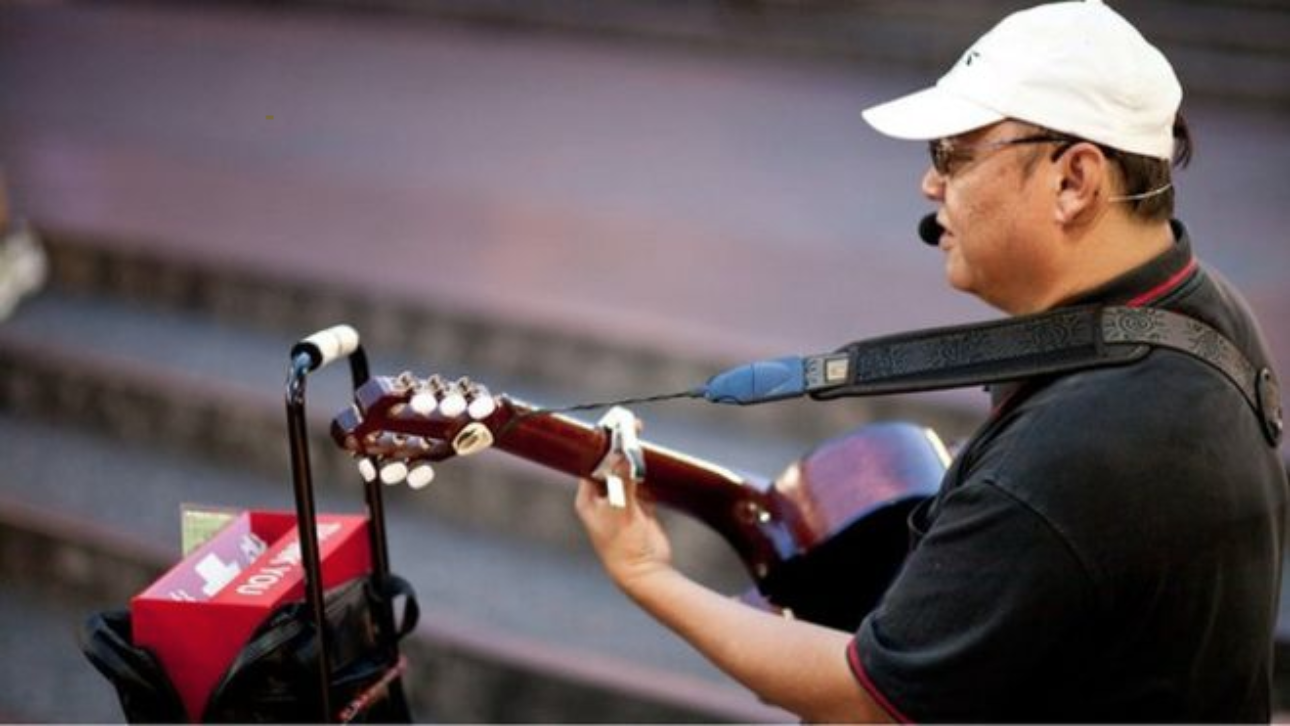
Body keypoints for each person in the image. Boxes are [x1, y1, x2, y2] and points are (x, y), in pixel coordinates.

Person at [574, 1, 1287, 721]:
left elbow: (869, 702)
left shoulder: (1077, 446)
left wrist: (645, 573)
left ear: (1074, 181)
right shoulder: (1204, 312)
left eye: (954, 154)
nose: (930, 184)